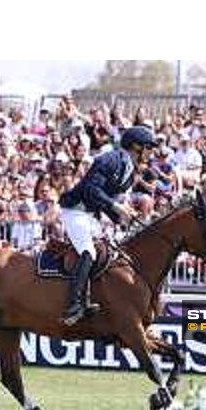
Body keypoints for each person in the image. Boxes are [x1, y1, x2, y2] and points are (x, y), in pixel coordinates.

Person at [58, 126, 157, 326]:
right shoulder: (110, 159)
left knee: (112, 254)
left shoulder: (129, 173)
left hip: (92, 216)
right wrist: (117, 208)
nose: (151, 152)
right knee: (89, 252)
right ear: (136, 146)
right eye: (148, 147)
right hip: (75, 211)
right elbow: (90, 189)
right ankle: (74, 305)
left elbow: (109, 203)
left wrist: (122, 218)